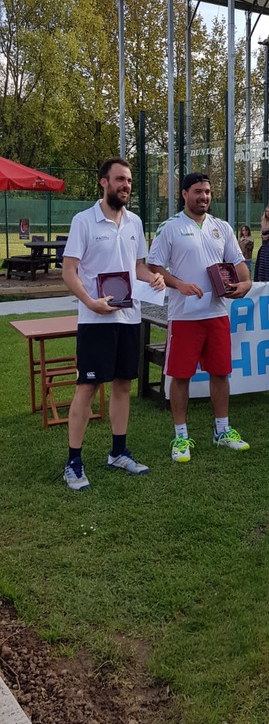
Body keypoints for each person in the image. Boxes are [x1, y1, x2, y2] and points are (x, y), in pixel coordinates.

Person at [61, 157, 165, 491]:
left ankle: (118, 452)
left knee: (122, 385)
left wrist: (154, 278)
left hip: (129, 317)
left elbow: (138, 267)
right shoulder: (84, 221)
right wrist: (90, 302)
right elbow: (69, 271)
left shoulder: (134, 222)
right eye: (120, 179)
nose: (126, 185)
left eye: (129, 181)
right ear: (103, 182)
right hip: (96, 319)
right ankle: (73, 462)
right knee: (88, 387)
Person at [148, 172, 252, 463]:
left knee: (220, 372)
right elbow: (153, 266)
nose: (204, 196)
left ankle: (222, 430)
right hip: (184, 317)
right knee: (180, 375)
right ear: (184, 194)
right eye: (197, 191)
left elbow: (239, 265)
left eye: (207, 191)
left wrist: (246, 284)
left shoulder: (222, 227)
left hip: (217, 313)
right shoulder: (170, 227)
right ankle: (181, 436)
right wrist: (178, 284)